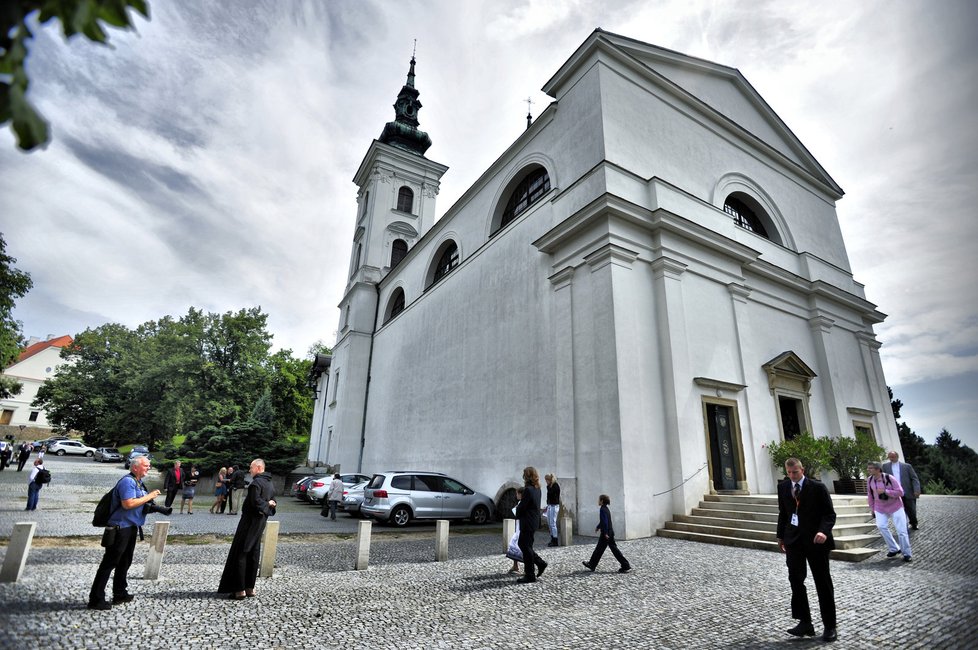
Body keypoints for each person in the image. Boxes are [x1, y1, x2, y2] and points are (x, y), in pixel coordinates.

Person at [88, 455, 163, 610]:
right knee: (109, 563)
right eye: (145, 465)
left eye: (149, 465)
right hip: (120, 528)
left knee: (124, 562)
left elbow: (138, 504)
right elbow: (128, 504)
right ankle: (96, 599)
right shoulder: (127, 482)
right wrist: (150, 496)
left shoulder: (139, 482)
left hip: (131, 528)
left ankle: (120, 593)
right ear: (135, 467)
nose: (148, 467)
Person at [776, 457, 838, 642]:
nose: (792, 476)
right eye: (789, 473)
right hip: (794, 542)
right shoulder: (784, 488)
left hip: (816, 542)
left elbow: (829, 514)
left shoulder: (817, 488)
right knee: (795, 580)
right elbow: (783, 513)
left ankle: (830, 626)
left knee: (822, 583)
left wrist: (823, 531)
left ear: (802, 470)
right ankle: (805, 622)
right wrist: (781, 536)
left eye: (795, 472)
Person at [218, 458, 277, 599]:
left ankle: (239, 590)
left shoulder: (255, 484)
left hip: (249, 522)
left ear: (258, 467)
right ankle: (250, 587)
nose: (249, 470)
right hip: (260, 522)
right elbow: (274, 502)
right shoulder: (270, 483)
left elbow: (256, 503)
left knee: (242, 552)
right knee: (253, 553)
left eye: (251, 468)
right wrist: (269, 505)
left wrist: (267, 505)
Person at [867, 461, 912, 562]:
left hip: (895, 507)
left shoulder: (889, 478)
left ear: (878, 469)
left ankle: (907, 553)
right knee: (881, 526)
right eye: (868, 468)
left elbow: (901, 492)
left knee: (901, 531)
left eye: (870, 468)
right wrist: (872, 508)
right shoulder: (869, 480)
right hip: (879, 507)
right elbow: (870, 495)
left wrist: (886, 491)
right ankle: (894, 548)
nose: (868, 470)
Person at [582, 494, 632, 573]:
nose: (598, 501)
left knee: (599, 549)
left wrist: (605, 533)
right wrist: (598, 527)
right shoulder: (606, 509)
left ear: (602, 501)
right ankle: (625, 565)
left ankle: (592, 564)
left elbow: (605, 522)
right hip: (610, 532)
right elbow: (604, 521)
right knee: (610, 549)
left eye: (599, 500)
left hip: (606, 534)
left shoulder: (602, 509)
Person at [514, 466, 547, 584]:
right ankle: (540, 563)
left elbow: (523, 506)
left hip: (527, 521)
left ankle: (530, 574)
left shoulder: (528, 490)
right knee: (526, 546)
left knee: (524, 545)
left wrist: (517, 510)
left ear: (526, 476)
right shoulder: (538, 489)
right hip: (533, 521)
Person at [882, 451, 921, 530]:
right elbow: (883, 479)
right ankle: (903, 525)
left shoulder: (907, 466)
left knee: (911, 510)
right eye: (890, 457)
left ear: (897, 457)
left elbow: (914, 479)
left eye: (892, 457)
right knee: (899, 511)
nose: (891, 459)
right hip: (894, 493)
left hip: (908, 491)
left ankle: (914, 523)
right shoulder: (885, 466)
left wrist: (916, 489)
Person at [506, 488, 525, 573]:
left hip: (521, 528)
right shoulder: (520, 503)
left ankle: (526, 568)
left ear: (521, 494)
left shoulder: (523, 503)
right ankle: (515, 565)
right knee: (513, 545)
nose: (516, 495)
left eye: (517, 493)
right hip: (518, 528)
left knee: (521, 548)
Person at [543, 473, 560, 547]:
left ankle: (555, 539)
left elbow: (552, 494)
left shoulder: (555, 486)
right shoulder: (550, 486)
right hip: (550, 505)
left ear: (550, 479)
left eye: (547, 480)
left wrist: (548, 487)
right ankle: (552, 538)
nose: (546, 481)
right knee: (549, 523)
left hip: (554, 505)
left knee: (552, 523)